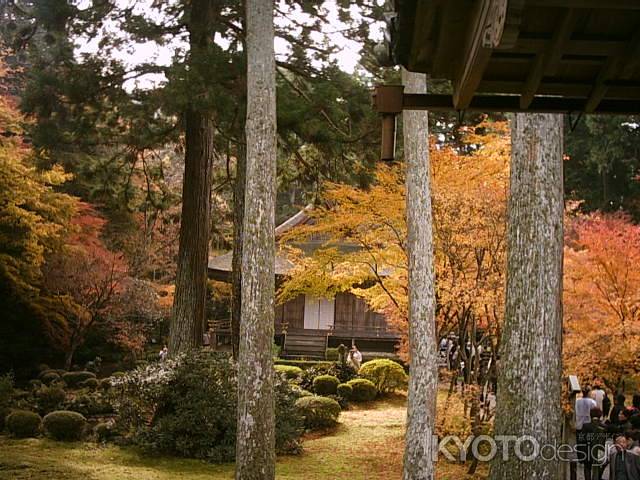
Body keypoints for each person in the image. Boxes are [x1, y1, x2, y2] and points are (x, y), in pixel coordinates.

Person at [580, 408, 608, 480]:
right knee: (598, 467)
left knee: (587, 467)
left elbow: (582, 440)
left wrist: (581, 454)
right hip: (599, 450)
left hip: (588, 450)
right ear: (600, 415)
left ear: (590, 415)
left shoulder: (586, 426)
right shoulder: (604, 427)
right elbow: (604, 440)